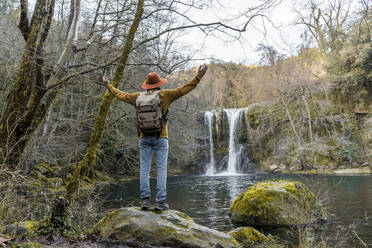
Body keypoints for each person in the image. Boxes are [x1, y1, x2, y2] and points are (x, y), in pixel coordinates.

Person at [103, 65, 208, 210]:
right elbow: (184, 89)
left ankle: (145, 201)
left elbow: (121, 95)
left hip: (144, 137)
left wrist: (108, 85)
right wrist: (199, 76)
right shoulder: (165, 95)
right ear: (159, 84)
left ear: (147, 85)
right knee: (161, 170)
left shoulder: (137, 97)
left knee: (144, 170)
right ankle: (160, 202)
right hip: (161, 137)